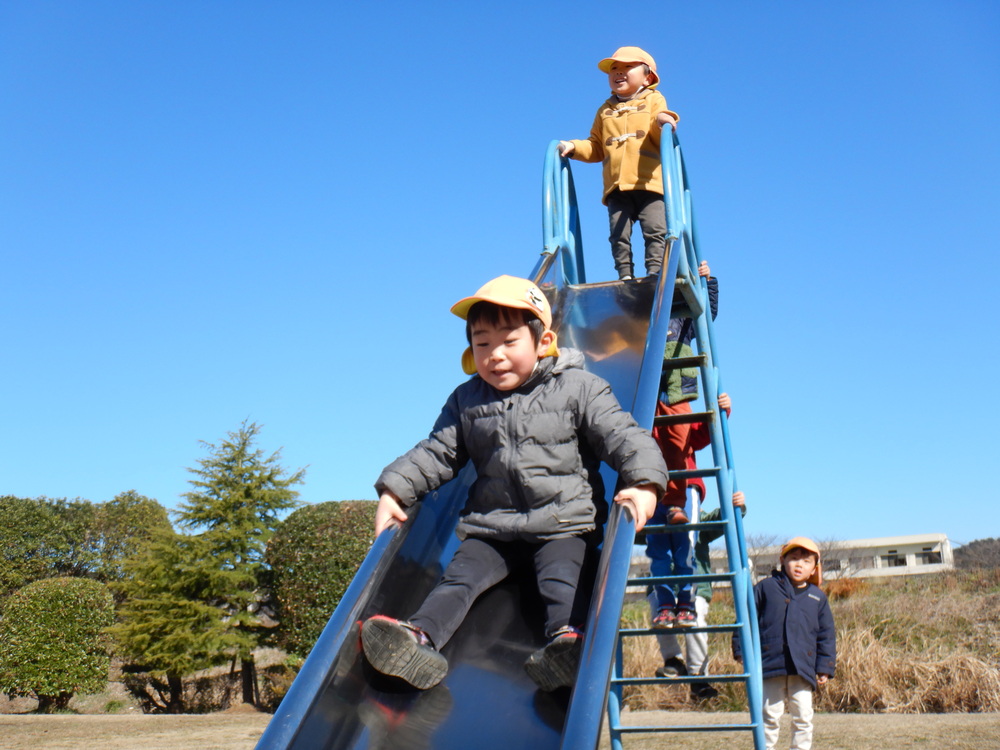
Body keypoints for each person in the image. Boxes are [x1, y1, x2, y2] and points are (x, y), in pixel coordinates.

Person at [359, 275, 669, 692]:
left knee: (563, 580)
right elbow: (438, 452)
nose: (495, 356)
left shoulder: (579, 388)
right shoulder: (467, 400)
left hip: (563, 523)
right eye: (482, 344)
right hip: (494, 529)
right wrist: (395, 490)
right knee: (458, 581)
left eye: (509, 342)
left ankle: (568, 646)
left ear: (543, 342)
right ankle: (418, 640)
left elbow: (625, 437)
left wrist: (645, 483)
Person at [558, 46, 680, 281]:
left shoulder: (654, 99)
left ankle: (655, 272)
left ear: (648, 78)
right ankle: (625, 274)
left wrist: (665, 120)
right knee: (618, 233)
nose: (618, 73)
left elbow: (659, 124)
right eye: (614, 69)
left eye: (627, 67)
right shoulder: (605, 110)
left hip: (649, 183)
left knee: (655, 229)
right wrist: (574, 147)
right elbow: (596, 146)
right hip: (617, 185)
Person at [735, 537, 837, 750]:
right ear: (783, 560)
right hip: (770, 664)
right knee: (769, 716)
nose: (799, 564)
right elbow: (745, 619)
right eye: (794, 558)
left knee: (803, 717)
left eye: (806, 561)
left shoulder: (817, 597)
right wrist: (741, 650)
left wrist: (824, 667)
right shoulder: (766, 588)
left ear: (814, 569)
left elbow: (826, 635)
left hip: (803, 668)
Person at [653, 488, 746, 702]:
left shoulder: (698, 522)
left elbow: (723, 518)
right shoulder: (655, 520)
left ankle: (698, 676)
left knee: (695, 622)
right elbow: (636, 531)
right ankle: (673, 661)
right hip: (663, 587)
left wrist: (737, 506)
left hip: (695, 587)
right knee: (657, 614)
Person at [647, 388, 729, 631]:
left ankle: (686, 604)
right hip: (652, 490)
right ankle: (664, 605)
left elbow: (703, 434)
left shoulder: (679, 413)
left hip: (684, 489)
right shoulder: (642, 418)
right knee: (658, 554)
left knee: (685, 549)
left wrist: (721, 409)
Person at [652, 259, 718, 525]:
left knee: (678, 445)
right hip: (648, 388)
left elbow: (707, 314)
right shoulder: (648, 316)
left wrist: (708, 282)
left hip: (676, 390)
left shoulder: (683, 320)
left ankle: (675, 505)